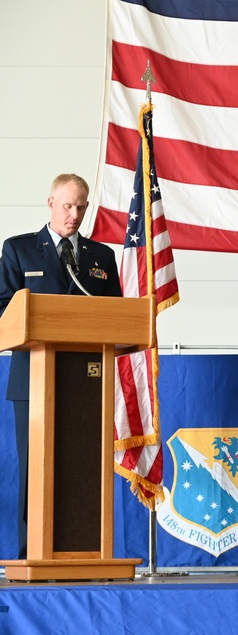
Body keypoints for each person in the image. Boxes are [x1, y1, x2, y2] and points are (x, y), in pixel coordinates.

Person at [0, 173, 122, 559]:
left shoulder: (101, 257)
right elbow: (3, 309)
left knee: (82, 466)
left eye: (81, 206)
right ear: (50, 203)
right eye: (67, 205)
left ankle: (82, 552)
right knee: (36, 469)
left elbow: (116, 315)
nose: (74, 214)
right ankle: (30, 555)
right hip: (33, 379)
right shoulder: (18, 250)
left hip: (86, 379)